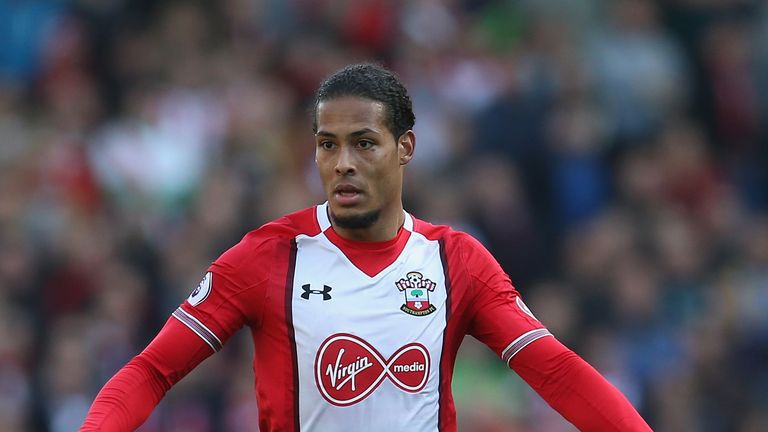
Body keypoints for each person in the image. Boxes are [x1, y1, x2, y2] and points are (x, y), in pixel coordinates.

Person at [81, 63, 651, 431]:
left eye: (364, 143)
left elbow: (558, 372)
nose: (343, 163)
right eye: (327, 145)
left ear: (405, 148)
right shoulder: (266, 258)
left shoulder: (456, 262)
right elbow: (151, 371)